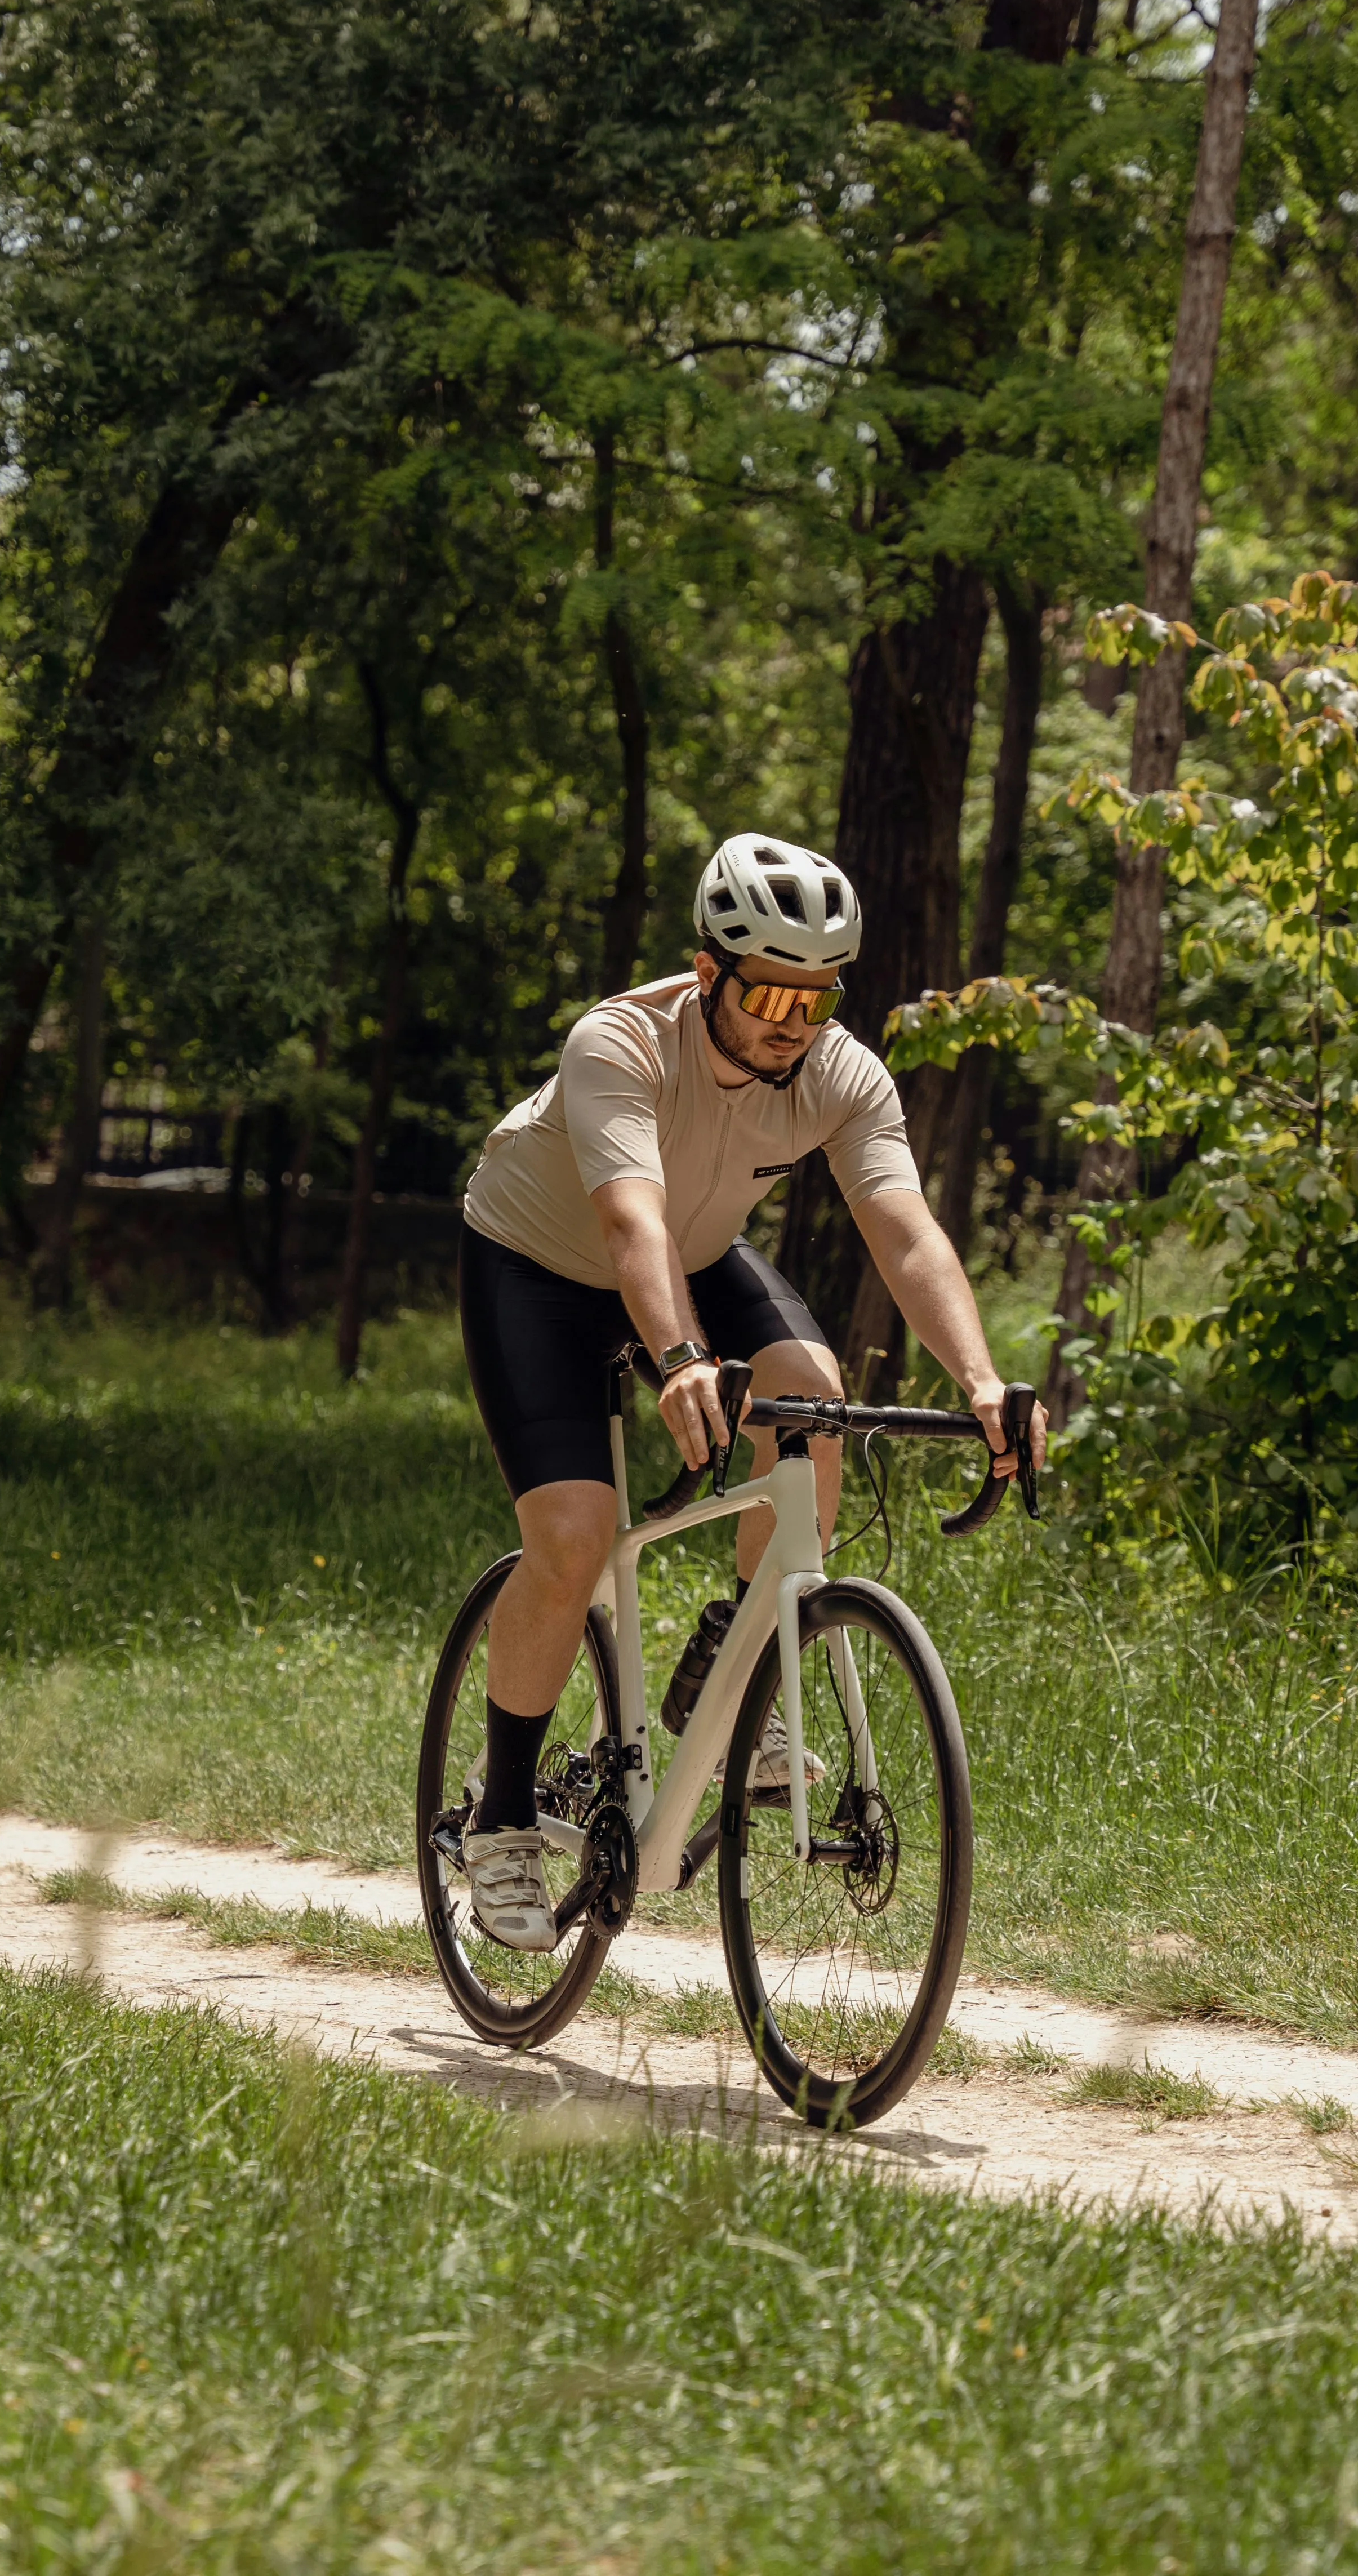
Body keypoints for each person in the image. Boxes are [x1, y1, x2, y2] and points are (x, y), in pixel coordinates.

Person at [448, 832, 1044, 1952]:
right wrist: (680, 1360)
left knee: (814, 1399)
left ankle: (731, 1678)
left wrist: (981, 1380)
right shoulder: (621, 1041)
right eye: (769, 991)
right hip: (537, 1266)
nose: (792, 1021)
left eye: (817, 998)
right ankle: (503, 1815)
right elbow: (630, 1222)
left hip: (692, 1252)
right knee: (574, 1536)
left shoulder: (840, 1074)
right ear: (707, 970)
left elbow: (905, 1231)